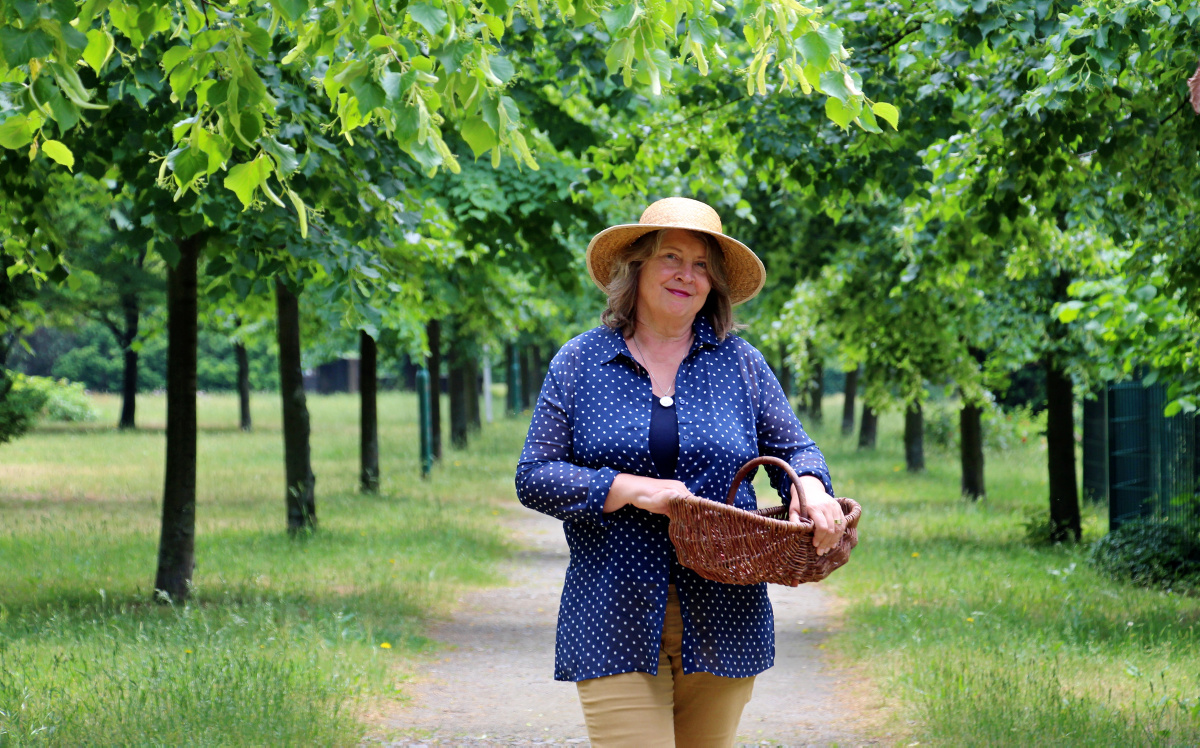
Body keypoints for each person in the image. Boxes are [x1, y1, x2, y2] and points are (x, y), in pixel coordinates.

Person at [515, 197, 845, 747]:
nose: (685, 275)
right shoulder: (579, 362)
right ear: (637, 266)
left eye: (701, 266)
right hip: (611, 610)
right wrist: (631, 489)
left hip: (725, 614)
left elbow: (799, 451)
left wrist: (809, 487)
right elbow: (535, 475)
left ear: (713, 284)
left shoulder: (741, 364)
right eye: (671, 257)